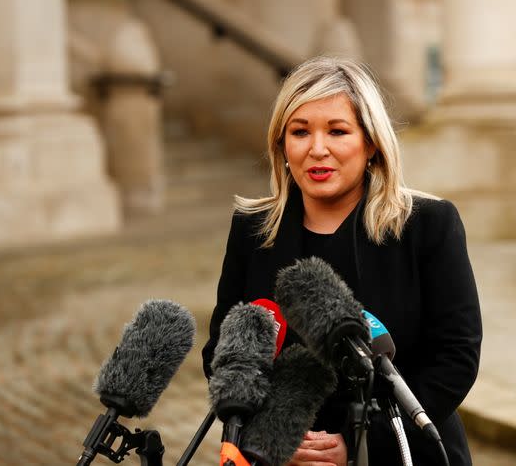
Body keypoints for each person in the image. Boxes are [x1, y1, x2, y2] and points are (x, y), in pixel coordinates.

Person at [201, 56, 482, 466]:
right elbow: (223, 352)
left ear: (370, 142)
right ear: (281, 145)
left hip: (404, 452)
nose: (318, 149)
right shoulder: (252, 228)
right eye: (299, 132)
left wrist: (361, 443)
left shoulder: (429, 225)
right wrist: (273, 435)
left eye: (337, 131)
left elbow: (456, 357)